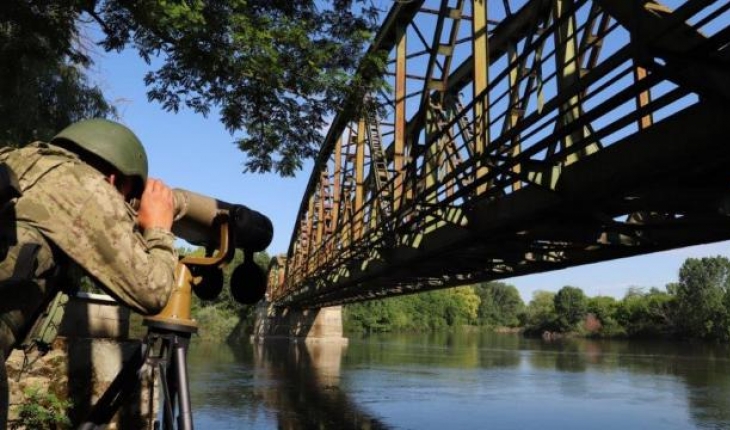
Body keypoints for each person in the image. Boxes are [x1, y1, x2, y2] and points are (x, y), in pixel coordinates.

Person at [0, 118, 178, 428]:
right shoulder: (86, 187)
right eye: (127, 198)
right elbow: (153, 291)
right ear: (113, 180)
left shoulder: (14, 158)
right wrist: (160, 229)